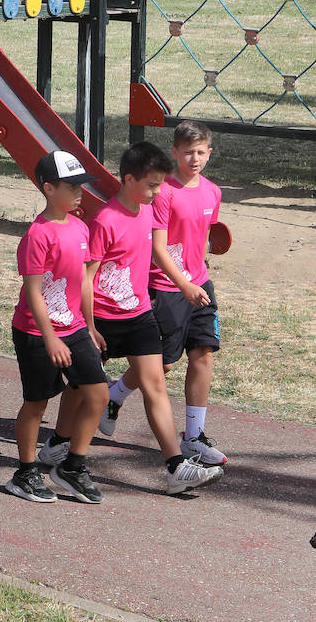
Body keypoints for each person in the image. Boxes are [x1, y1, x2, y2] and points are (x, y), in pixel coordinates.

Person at [88, 141, 223, 495]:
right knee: (84, 395)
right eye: (152, 185)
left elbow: (185, 239)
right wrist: (86, 326)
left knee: (159, 381)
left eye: (160, 185)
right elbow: (87, 278)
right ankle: (61, 447)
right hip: (111, 313)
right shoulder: (106, 219)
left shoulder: (153, 207)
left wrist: (198, 271)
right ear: (130, 179)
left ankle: (178, 464)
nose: (158, 192)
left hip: (140, 313)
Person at [5, 151, 110, 503]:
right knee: (36, 404)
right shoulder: (37, 235)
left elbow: (81, 282)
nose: (81, 192)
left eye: (82, 185)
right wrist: (49, 337)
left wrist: (90, 326)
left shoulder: (80, 228)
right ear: (49, 189)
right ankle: (25, 473)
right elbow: (33, 292)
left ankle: (72, 467)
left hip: (75, 327)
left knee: (98, 393)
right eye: (72, 186)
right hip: (36, 332)